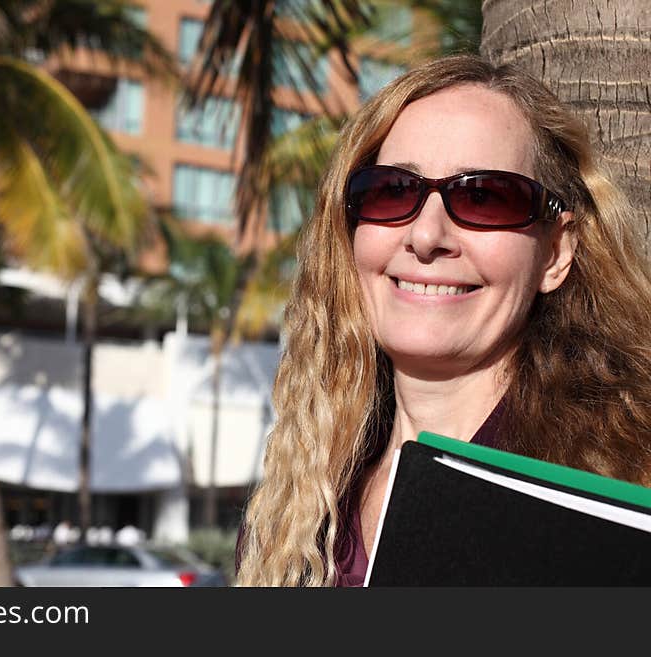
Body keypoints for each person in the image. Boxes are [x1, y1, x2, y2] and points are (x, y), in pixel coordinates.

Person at [235, 54, 651, 587]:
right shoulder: (292, 518)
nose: (427, 236)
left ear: (555, 253)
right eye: (392, 191)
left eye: (482, 197)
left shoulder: (618, 496)